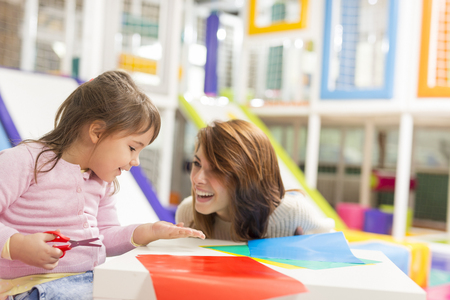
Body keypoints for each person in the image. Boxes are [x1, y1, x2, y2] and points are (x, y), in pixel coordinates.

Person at [0, 70, 204, 300]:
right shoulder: (25, 161)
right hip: (29, 288)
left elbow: (103, 238)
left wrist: (147, 231)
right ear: (97, 132)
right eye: (132, 148)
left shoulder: (101, 182)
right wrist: (16, 245)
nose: (135, 161)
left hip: (86, 281)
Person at [176, 119, 334, 241]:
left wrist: (308, 258)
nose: (197, 179)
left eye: (217, 169)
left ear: (248, 176)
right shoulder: (188, 214)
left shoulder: (293, 215)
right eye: (197, 163)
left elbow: (338, 256)